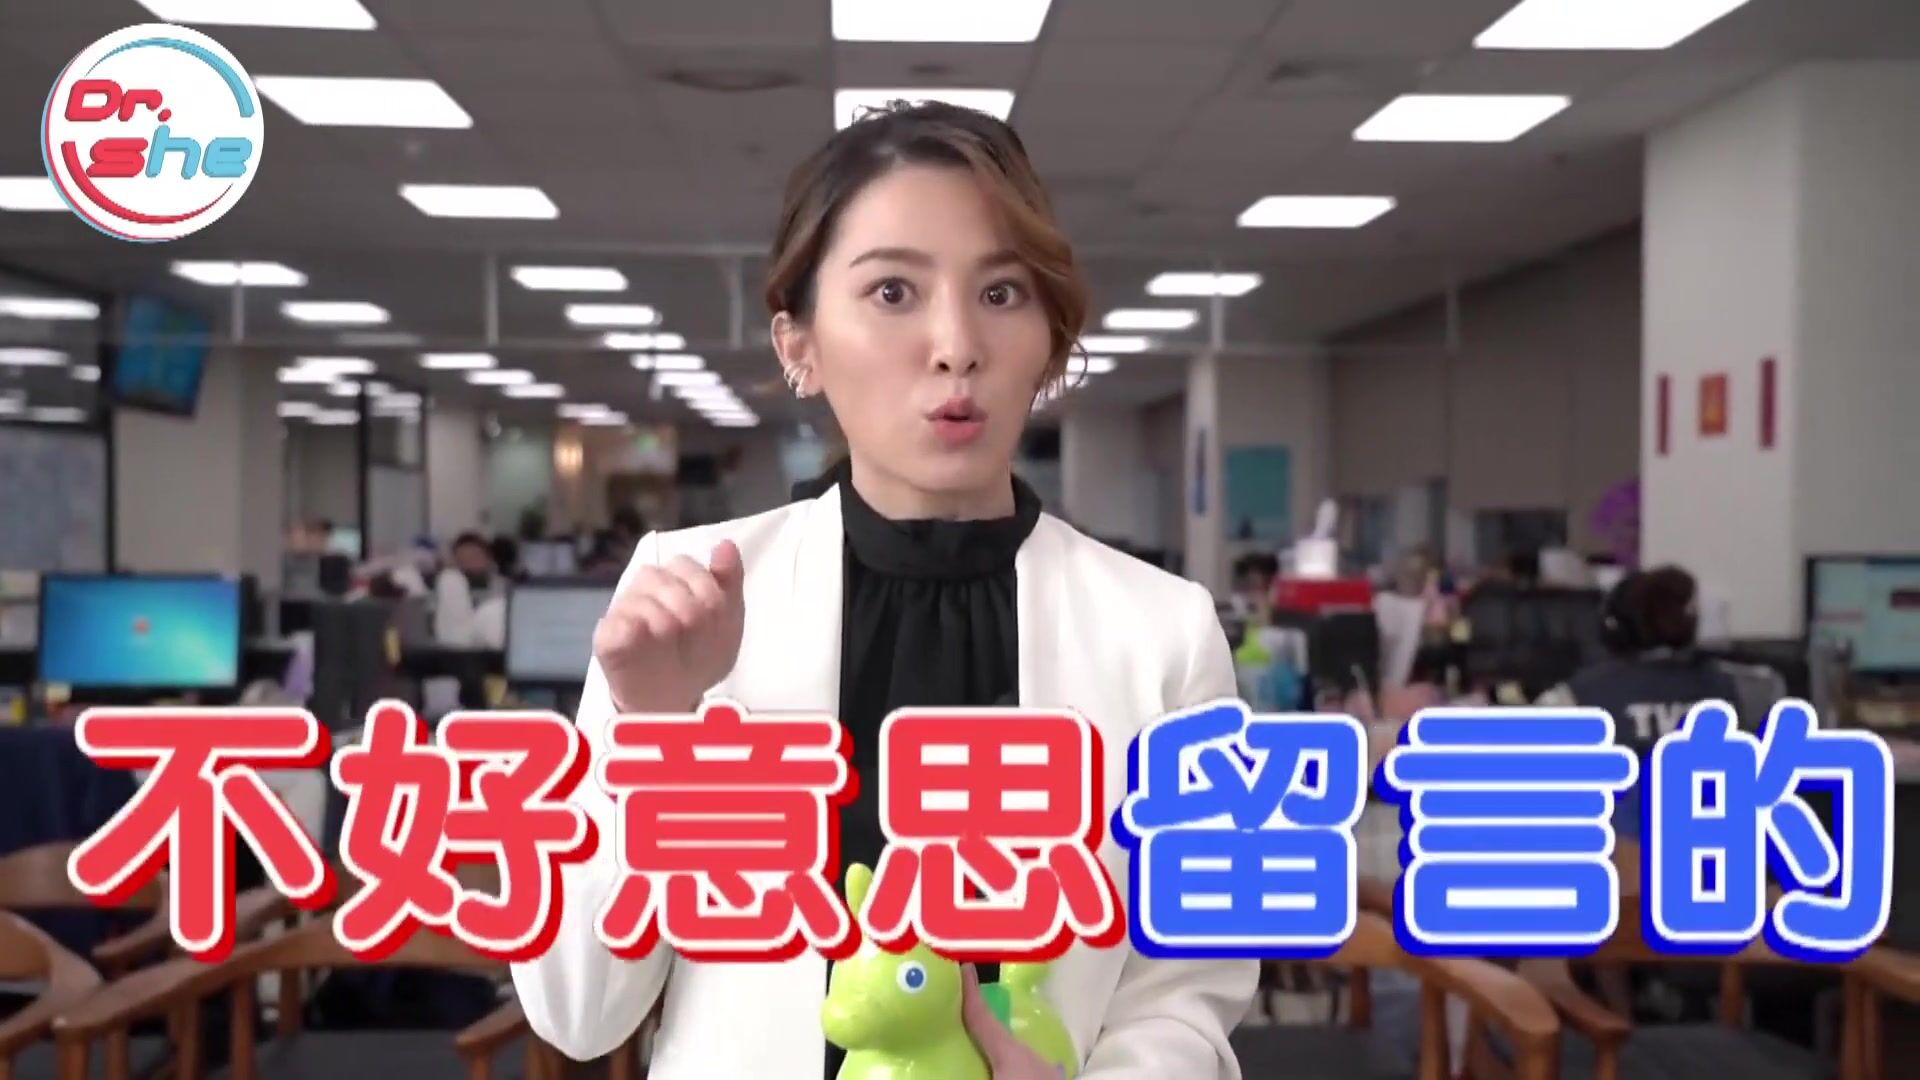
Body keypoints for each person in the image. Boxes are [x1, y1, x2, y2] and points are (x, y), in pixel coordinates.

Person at [511, 101, 1256, 1079]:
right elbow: (577, 1014)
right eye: (893, 291)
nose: (956, 345)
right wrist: (655, 733)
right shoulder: (686, 598)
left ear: (1047, 334)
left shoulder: (1162, 633)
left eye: (1001, 293)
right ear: (799, 343)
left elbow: (1187, 990)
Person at [432, 531, 507, 648]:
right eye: (463, 559)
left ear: (488, 558)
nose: (470, 563)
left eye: (475, 557)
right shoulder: (450, 586)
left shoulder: (503, 587)